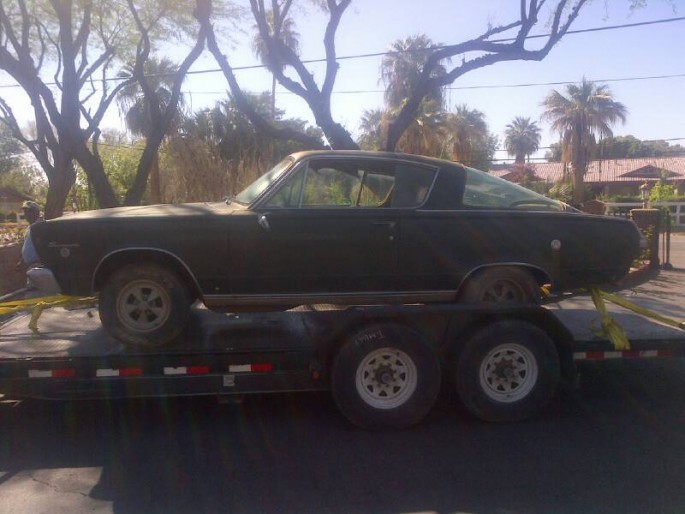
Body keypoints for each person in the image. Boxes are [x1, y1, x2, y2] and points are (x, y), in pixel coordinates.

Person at [16, 200, 44, 269]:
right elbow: (28, 245)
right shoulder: (30, 227)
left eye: (28, 212)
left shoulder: (41, 226)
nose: (26, 215)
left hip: (38, 266)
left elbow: (44, 246)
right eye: (25, 212)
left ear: (35, 212)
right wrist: (21, 261)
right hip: (31, 266)